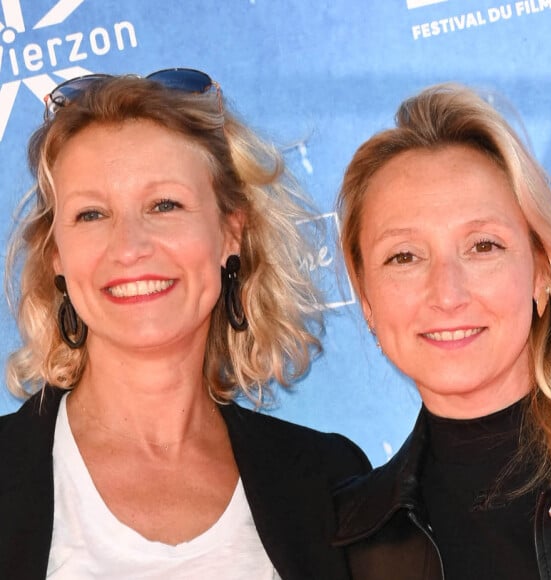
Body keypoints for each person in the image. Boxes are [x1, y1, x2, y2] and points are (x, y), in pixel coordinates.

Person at [0, 69, 370, 580]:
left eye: (164, 205)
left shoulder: (328, 481)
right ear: (56, 255)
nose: (129, 247)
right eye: (91, 214)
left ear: (230, 234)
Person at [332, 83, 551, 579]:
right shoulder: (350, 541)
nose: (447, 293)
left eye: (482, 246)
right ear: (368, 301)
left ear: (541, 273)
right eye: (404, 256)